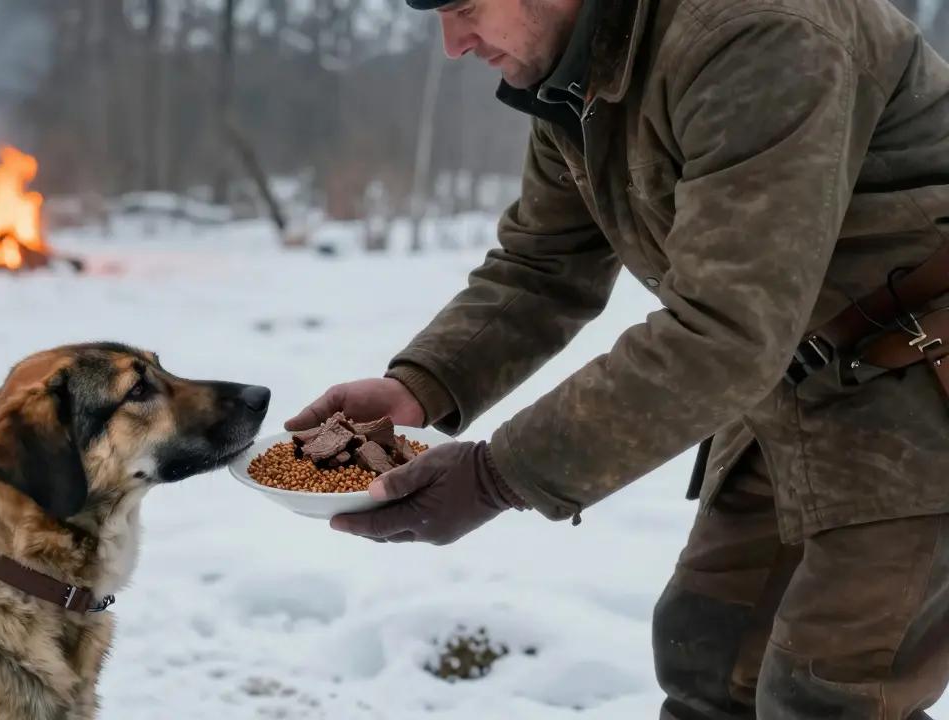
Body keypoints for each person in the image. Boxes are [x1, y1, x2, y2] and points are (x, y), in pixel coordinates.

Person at [283, 0, 949, 717]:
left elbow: (724, 328)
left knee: (831, 691)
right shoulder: (580, 72)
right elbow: (544, 265)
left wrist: (494, 477)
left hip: (914, 392)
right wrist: (419, 386)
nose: (452, 45)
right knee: (710, 653)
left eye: (467, 8)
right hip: (790, 387)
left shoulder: (758, 31)